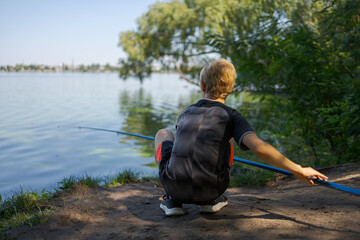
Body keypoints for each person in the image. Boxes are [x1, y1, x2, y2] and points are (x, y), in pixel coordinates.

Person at [154, 58, 328, 216]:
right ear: (231, 88)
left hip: (174, 186)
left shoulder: (186, 112)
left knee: (163, 133)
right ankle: (209, 201)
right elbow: (259, 147)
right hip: (211, 189)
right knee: (229, 137)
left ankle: (172, 201)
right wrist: (298, 169)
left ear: (202, 85)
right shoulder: (232, 116)